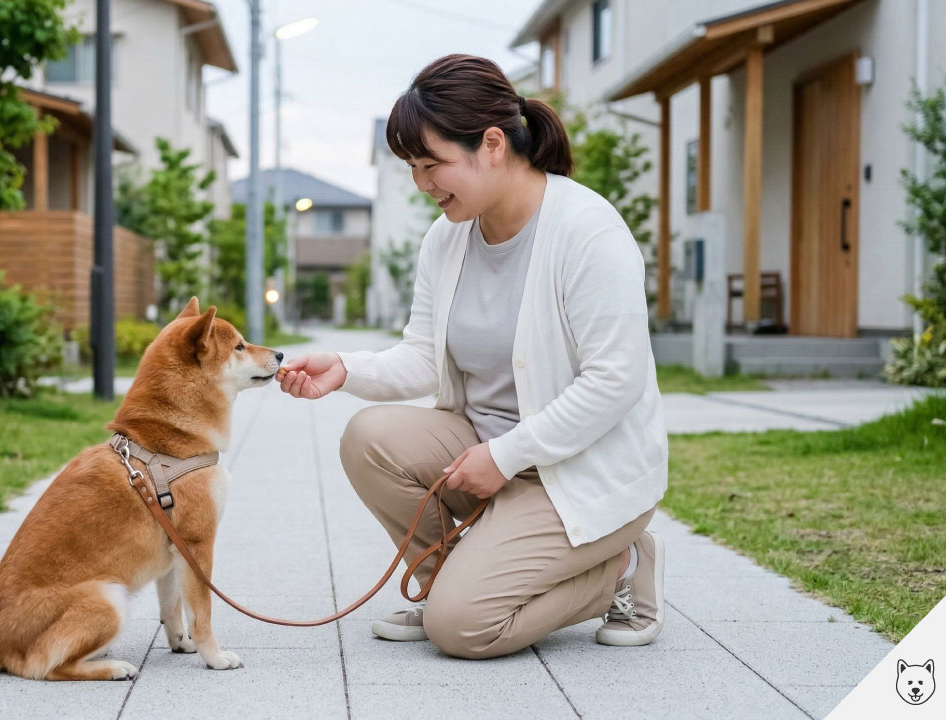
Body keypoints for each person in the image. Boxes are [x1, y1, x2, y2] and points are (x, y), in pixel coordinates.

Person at [277, 54, 668, 659]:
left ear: (492, 144)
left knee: (462, 631)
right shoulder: (448, 237)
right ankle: (450, 586)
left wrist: (507, 456)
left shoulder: (588, 231)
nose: (423, 184)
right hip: (488, 454)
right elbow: (423, 357)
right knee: (368, 437)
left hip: (581, 471)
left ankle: (618, 565)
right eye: (413, 168)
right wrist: (347, 369)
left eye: (433, 164)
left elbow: (614, 382)